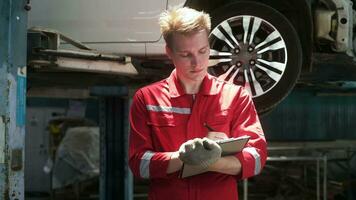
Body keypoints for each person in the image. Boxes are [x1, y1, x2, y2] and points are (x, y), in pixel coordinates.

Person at [128, 7, 267, 200]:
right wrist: (180, 157)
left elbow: (258, 158)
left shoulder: (235, 97)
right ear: (169, 52)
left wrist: (212, 160)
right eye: (186, 54)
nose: (197, 62)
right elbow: (139, 164)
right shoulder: (147, 99)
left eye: (202, 51)